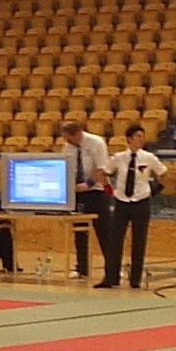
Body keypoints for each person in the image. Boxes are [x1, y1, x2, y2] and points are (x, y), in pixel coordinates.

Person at [99, 124, 166, 289]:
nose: (141, 139)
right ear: (129, 139)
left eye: (143, 136)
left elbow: (163, 174)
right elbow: (103, 173)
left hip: (141, 202)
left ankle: (135, 279)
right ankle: (111, 277)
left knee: (139, 241)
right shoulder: (119, 157)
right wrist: (109, 190)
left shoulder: (149, 157)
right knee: (115, 240)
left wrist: (154, 190)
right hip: (121, 202)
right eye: (137, 136)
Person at [61, 118, 110, 280]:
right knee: (80, 232)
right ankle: (82, 268)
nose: (67, 142)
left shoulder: (96, 143)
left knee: (104, 231)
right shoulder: (67, 147)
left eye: (69, 138)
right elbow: (66, 168)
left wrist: (88, 184)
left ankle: (112, 267)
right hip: (77, 193)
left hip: (96, 191)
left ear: (77, 133)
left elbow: (101, 168)